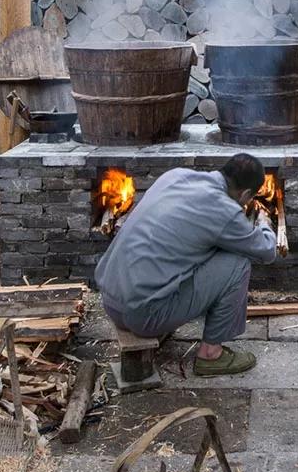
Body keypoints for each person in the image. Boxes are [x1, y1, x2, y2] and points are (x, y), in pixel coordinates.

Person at [94, 153, 276, 376]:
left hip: (111, 302)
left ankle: (166, 312)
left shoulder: (174, 176)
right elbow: (267, 251)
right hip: (144, 315)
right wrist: (264, 222)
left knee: (210, 249)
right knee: (238, 263)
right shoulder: (224, 210)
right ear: (246, 194)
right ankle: (211, 354)